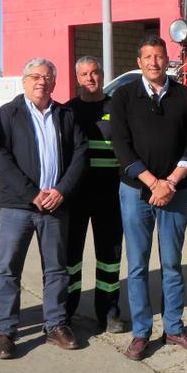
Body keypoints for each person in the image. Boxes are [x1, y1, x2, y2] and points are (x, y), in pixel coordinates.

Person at [110, 35, 187, 360]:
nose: (154, 62)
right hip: (136, 192)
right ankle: (141, 333)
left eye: (159, 56)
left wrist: (171, 183)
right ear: (139, 62)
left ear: (168, 60)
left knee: (172, 264)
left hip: (176, 193)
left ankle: (175, 328)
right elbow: (121, 146)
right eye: (148, 57)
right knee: (137, 266)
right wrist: (153, 183)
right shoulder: (124, 96)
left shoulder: (185, 97)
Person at [0, 59, 88, 358]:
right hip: (18, 206)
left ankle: (55, 324)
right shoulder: (8, 114)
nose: (41, 81)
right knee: (8, 270)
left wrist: (61, 191)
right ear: (24, 81)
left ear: (54, 83)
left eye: (47, 77)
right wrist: (33, 194)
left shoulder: (66, 115)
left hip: (56, 206)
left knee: (57, 268)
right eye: (34, 76)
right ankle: (6, 331)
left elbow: (81, 155)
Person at [63, 57, 127, 334]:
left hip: (110, 193)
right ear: (77, 78)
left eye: (95, 72)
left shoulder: (118, 107)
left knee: (110, 256)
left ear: (102, 75)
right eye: (84, 74)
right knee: (70, 256)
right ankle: (65, 311)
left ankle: (109, 312)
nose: (90, 78)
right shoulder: (67, 110)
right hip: (75, 195)